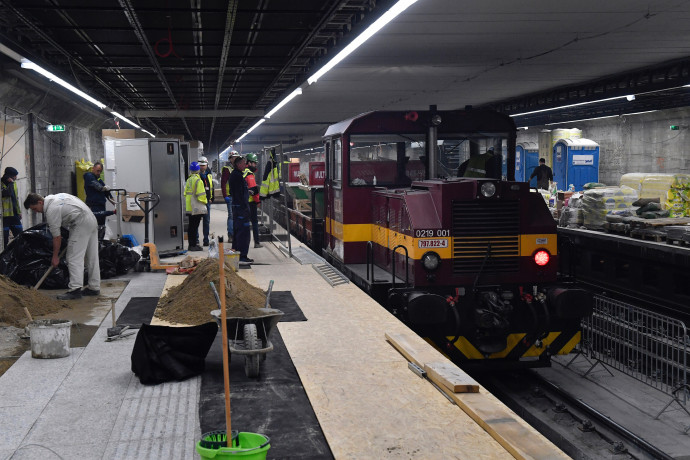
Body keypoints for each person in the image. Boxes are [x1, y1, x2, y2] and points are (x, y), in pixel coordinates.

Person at [24, 192, 100, 300]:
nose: (36, 212)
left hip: (80, 222)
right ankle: (94, 287)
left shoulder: (51, 210)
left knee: (73, 258)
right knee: (92, 256)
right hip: (91, 218)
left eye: (35, 208)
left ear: (40, 202)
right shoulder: (57, 197)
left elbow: (57, 237)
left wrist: (55, 257)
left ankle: (75, 290)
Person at [229, 155, 252, 264]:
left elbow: (240, 191)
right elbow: (239, 194)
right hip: (240, 209)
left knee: (238, 232)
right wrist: (244, 209)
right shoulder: (237, 176)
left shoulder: (236, 175)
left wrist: (248, 191)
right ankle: (242, 256)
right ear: (238, 165)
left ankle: (237, 254)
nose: (245, 165)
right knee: (243, 233)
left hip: (238, 208)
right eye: (243, 163)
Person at [83, 161, 114, 239]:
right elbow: (99, 187)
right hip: (93, 205)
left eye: (100, 171)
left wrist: (115, 203)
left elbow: (106, 192)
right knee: (94, 227)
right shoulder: (89, 176)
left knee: (101, 227)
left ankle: (100, 244)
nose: (99, 173)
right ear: (93, 169)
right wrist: (104, 188)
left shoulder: (98, 179)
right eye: (97, 171)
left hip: (100, 205)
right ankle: (95, 245)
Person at [184, 161, 207, 251]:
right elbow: (201, 195)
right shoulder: (198, 180)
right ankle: (193, 245)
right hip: (196, 207)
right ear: (198, 170)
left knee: (191, 227)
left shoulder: (189, 180)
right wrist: (205, 202)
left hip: (190, 206)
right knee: (194, 226)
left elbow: (185, 193)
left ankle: (191, 244)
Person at [220, 152, 240, 242]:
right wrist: (225, 196)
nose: (235, 159)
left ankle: (237, 234)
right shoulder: (227, 169)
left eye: (237, 157)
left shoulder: (240, 168)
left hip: (238, 196)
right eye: (234, 157)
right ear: (230, 159)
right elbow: (223, 183)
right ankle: (231, 235)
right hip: (230, 196)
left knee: (238, 215)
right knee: (231, 216)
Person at [1, 167, 23, 248]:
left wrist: (19, 211)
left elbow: (15, 199)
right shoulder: (2, 184)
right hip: (4, 217)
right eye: (14, 176)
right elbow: (8, 193)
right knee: (4, 241)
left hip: (14, 215)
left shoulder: (14, 184)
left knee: (20, 237)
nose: (16, 178)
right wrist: (10, 183)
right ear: (9, 176)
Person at [244, 153, 262, 248]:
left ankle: (243, 243)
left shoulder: (243, 171)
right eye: (254, 163)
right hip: (250, 203)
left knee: (244, 223)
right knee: (254, 222)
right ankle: (257, 242)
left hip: (243, 202)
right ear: (250, 163)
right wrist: (258, 201)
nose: (255, 165)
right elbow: (254, 189)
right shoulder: (249, 174)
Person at [198, 156, 213, 246]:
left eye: (204, 165)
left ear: (207, 165)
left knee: (206, 221)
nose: (202, 167)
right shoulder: (196, 175)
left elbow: (211, 187)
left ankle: (206, 239)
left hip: (207, 201)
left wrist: (211, 198)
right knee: (196, 221)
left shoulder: (209, 174)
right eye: (201, 165)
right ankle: (196, 239)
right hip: (198, 201)